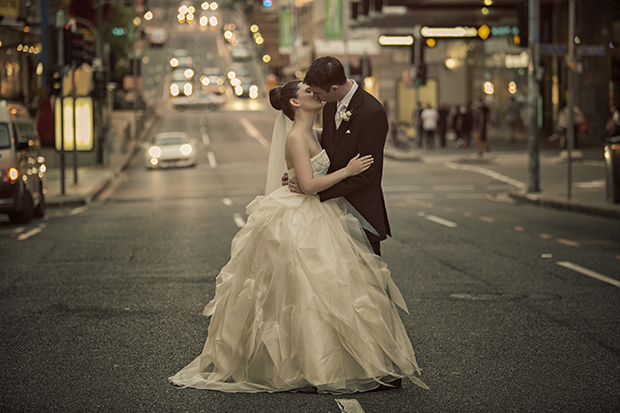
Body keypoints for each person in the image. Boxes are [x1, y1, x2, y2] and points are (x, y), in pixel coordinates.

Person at [168, 79, 428, 394]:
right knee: (303, 292)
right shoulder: (295, 136)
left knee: (333, 288)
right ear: (295, 103)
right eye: (308, 92)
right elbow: (307, 185)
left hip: (321, 213)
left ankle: (343, 362)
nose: (315, 95)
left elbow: (311, 168)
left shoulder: (314, 131)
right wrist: (348, 170)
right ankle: (308, 366)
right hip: (304, 214)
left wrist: (301, 174)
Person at [285, 56, 391, 256]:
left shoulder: (372, 112)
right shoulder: (329, 106)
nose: (316, 97)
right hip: (328, 215)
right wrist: (301, 173)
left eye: (317, 93)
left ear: (333, 88)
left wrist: (315, 192)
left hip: (360, 214)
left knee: (369, 281)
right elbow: (326, 154)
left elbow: (365, 174)